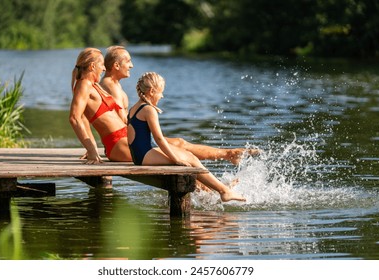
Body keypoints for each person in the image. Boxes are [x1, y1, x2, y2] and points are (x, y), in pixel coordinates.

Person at [100, 45, 260, 165]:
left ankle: (227, 156)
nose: (132, 65)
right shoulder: (110, 86)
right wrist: (95, 149)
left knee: (180, 143)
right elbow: (117, 121)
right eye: (128, 61)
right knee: (180, 150)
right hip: (123, 143)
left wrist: (96, 145)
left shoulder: (112, 84)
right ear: (115, 65)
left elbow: (101, 118)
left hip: (121, 141)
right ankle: (219, 171)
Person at [127, 72, 245, 202]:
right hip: (145, 155)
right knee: (191, 160)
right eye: (161, 92)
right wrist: (175, 159)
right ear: (151, 91)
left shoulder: (135, 107)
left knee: (188, 156)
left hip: (139, 155)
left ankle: (214, 190)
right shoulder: (149, 109)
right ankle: (224, 191)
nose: (162, 96)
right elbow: (159, 138)